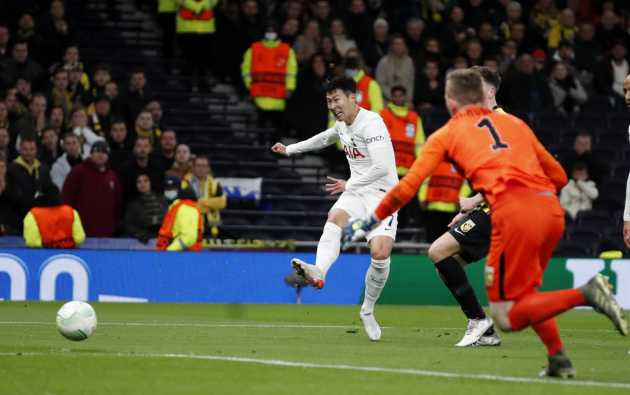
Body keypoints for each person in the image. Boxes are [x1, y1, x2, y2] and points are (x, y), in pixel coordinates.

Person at [345, 69, 627, 377]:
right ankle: (559, 358)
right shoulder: (514, 123)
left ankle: (587, 293)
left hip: (512, 215)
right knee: (527, 295)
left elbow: (408, 186)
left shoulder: (448, 133)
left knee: (506, 317)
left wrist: (370, 219)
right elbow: (559, 176)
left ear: (452, 102)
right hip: (550, 214)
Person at [271, 77, 398, 342]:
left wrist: (349, 183)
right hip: (356, 191)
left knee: (379, 252)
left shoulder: (372, 123)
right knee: (335, 217)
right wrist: (290, 149)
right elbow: (326, 138)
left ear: (354, 98)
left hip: (382, 195)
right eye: (329, 101)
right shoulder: (341, 123)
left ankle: (368, 309)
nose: (333, 105)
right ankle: (318, 272)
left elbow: (382, 167)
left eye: (337, 99)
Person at [423, 66, 505, 347]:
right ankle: (486, 331)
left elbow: (507, 174)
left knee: (437, 251)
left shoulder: (501, 122)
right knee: (445, 264)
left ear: (490, 92)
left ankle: (479, 322)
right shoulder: (483, 123)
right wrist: (468, 208)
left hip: (502, 208)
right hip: (488, 206)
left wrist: (473, 200)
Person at [241, 26, 297, 138]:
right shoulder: (254, 49)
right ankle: (262, 147)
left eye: (273, 31)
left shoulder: (286, 50)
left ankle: (273, 150)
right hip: (259, 96)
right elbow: (245, 70)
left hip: (278, 96)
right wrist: (250, 86)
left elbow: (291, 71)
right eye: (269, 31)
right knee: (260, 128)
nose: (271, 33)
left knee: (276, 129)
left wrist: (290, 88)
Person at [62, 140, 122, 237]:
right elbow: (67, 198)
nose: (100, 155)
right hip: (81, 231)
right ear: (91, 154)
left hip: (106, 233)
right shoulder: (78, 172)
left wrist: (114, 225)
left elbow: (117, 204)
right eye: (97, 151)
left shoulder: (112, 176)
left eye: (104, 152)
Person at [5, 137, 52, 224]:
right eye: (25, 149)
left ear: (36, 150)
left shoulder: (43, 169)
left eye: (31, 149)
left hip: (41, 217)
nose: (29, 152)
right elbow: (11, 195)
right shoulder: (11, 170)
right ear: (20, 150)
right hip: (18, 218)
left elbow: (48, 191)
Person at [23, 183, 85, 248]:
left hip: (43, 255)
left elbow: (33, 242)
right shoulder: (71, 212)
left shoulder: (32, 215)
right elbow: (79, 238)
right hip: (67, 254)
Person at [156, 176, 203, 251]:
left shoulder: (186, 208)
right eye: (167, 189)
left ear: (180, 190)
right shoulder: (173, 207)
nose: (169, 191)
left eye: (173, 189)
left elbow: (189, 237)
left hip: (184, 256)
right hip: (177, 254)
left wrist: (169, 252)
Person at [187, 155, 226, 238]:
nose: (201, 169)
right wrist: (210, 203)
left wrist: (201, 203)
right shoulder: (186, 183)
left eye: (204, 166)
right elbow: (186, 205)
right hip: (191, 225)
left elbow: (222, 202)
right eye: (198, 166)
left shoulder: (215, 183)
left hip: (212, 225)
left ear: (208, 168)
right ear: (193, 168)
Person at [123, 173, 168, 243]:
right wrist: (138, 234)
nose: (142, 184)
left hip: (163, 238)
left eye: (145, 181)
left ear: (150, 183)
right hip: (144, 240)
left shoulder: (162, 199)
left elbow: (169, 218)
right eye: (139, 182)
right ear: (136, 185)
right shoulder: (132, 204)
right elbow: (128, 224)